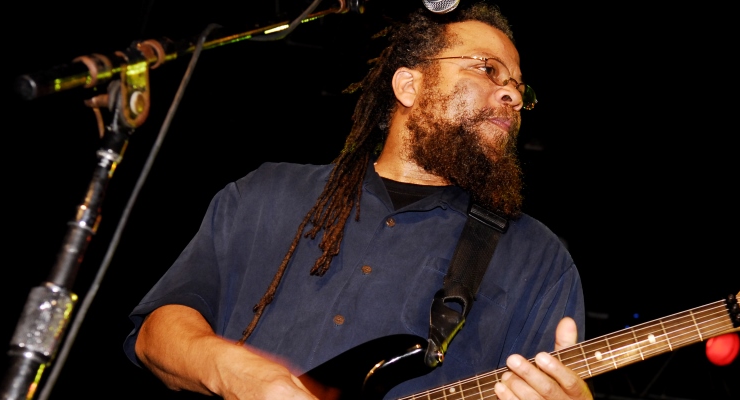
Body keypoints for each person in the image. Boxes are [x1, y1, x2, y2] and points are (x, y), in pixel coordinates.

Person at [123, 3, 590, 400]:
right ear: (408, 86)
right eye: (488, 69)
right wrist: (238, 373)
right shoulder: (266, 194)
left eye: (519, 88)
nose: (512, 95)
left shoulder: (538, 259)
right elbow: (157, 333)